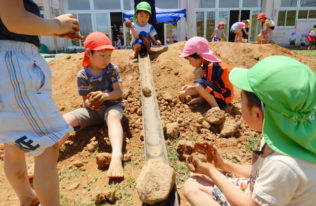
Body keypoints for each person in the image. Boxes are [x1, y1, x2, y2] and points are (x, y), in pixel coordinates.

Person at [183, 55, 316, 206]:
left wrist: (211, 172)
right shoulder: (286, 130)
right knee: (197, 181)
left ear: (257, 114)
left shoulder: (282, 165)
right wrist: (223, 164)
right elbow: (261, 173)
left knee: (192, 188)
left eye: (242, 100)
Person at [0, 0, 81, 206]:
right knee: (47, 146)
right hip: (12, 64)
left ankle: (27, 198)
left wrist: (52, 30)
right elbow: (14, 20)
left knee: (13, 144)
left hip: (8, 62)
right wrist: (56, 25)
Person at [63, 32, 125, 178]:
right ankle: (48, 154)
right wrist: (91, 103)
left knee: (113, 117)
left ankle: (116, 155)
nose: (106, 59)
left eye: (109, 55)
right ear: (89, 54)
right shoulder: (82, 76)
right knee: (65, 119)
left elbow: (119, 92)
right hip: (93, 112)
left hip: (112, 106)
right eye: (102, 55)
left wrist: (105, 96)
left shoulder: (112, 69)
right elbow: (85, 101)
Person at [178, 36, 234, 109]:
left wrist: (187, 93)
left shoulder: (213, 66)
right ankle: (203, 99)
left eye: (190, 59)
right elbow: (207, 85)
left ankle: (216, 109)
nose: (189, 63)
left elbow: (204, 87)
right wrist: (191, 87)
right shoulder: (206, 64)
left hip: (224, 98)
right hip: (218, 93)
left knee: (198, 83)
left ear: (199, 56)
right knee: (198, 72)